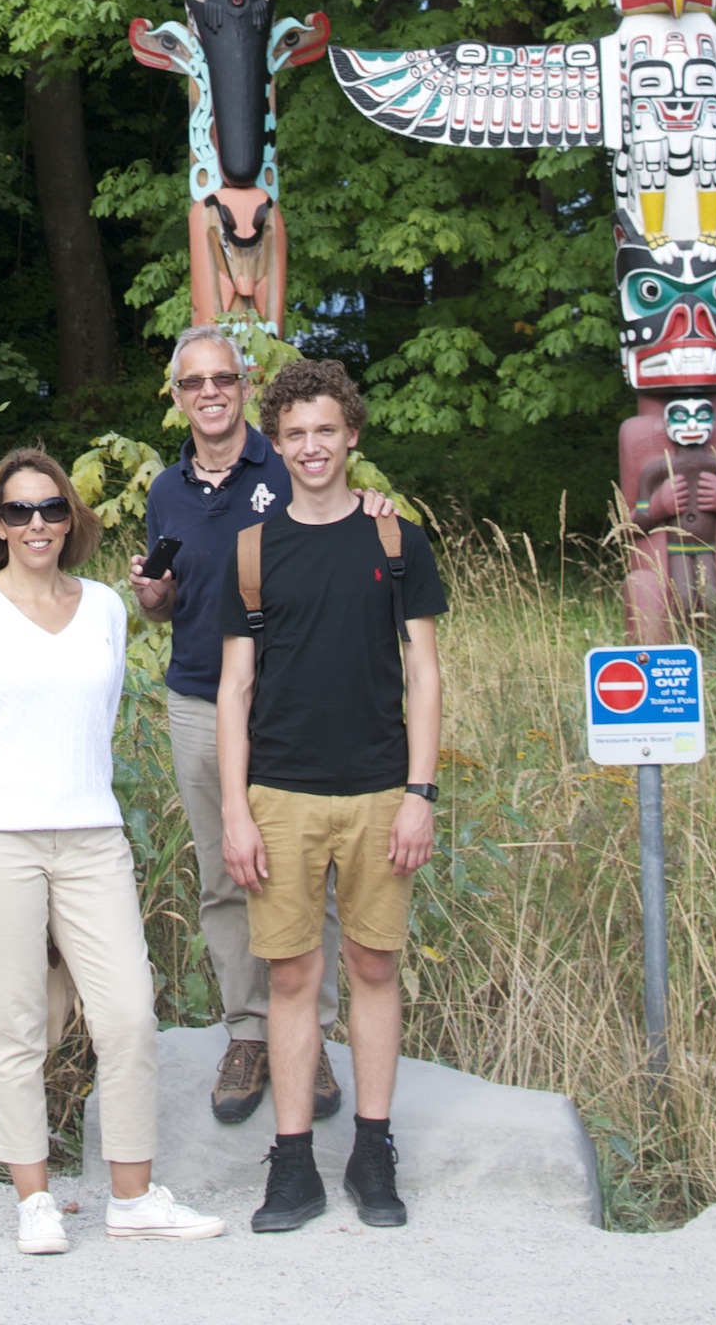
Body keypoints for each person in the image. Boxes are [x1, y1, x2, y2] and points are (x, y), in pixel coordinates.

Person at [0, 445, 225, 1256]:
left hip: (92, 835)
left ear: (71, 518)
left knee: (128, 1013)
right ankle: (34, 1199)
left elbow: (95, 725)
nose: (36, 525)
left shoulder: (104, 608)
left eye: (50, 509)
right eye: (18, 511)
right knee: (16, 1024)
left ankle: (132, 1194)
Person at [218, 358, 446, 1234]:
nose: (312, 448)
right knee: (291, 974)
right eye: (295, 435)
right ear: (276, 447)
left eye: (326, 431)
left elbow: (423, 672)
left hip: (380, 788)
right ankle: (291, 1164)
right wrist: (237, 808)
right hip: (280, 791)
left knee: (374, 964)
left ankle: (374, 1149)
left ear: (352, 436)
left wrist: (420, 792)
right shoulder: (253, 549)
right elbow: (236, 687)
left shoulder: (397, 541)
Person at [130, 323, 366, 1127]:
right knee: (227, 876)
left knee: (312, 875)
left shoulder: (290, 458)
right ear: (177, 397)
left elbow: (342, 521)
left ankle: (313, 1032)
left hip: (292, 701)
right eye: (193, 384)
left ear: (243, 383)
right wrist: (152, 599)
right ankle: (250, 1032)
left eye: (222, 380)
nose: (209, 395)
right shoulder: (165, 490)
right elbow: (170, 603)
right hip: (201, 697)